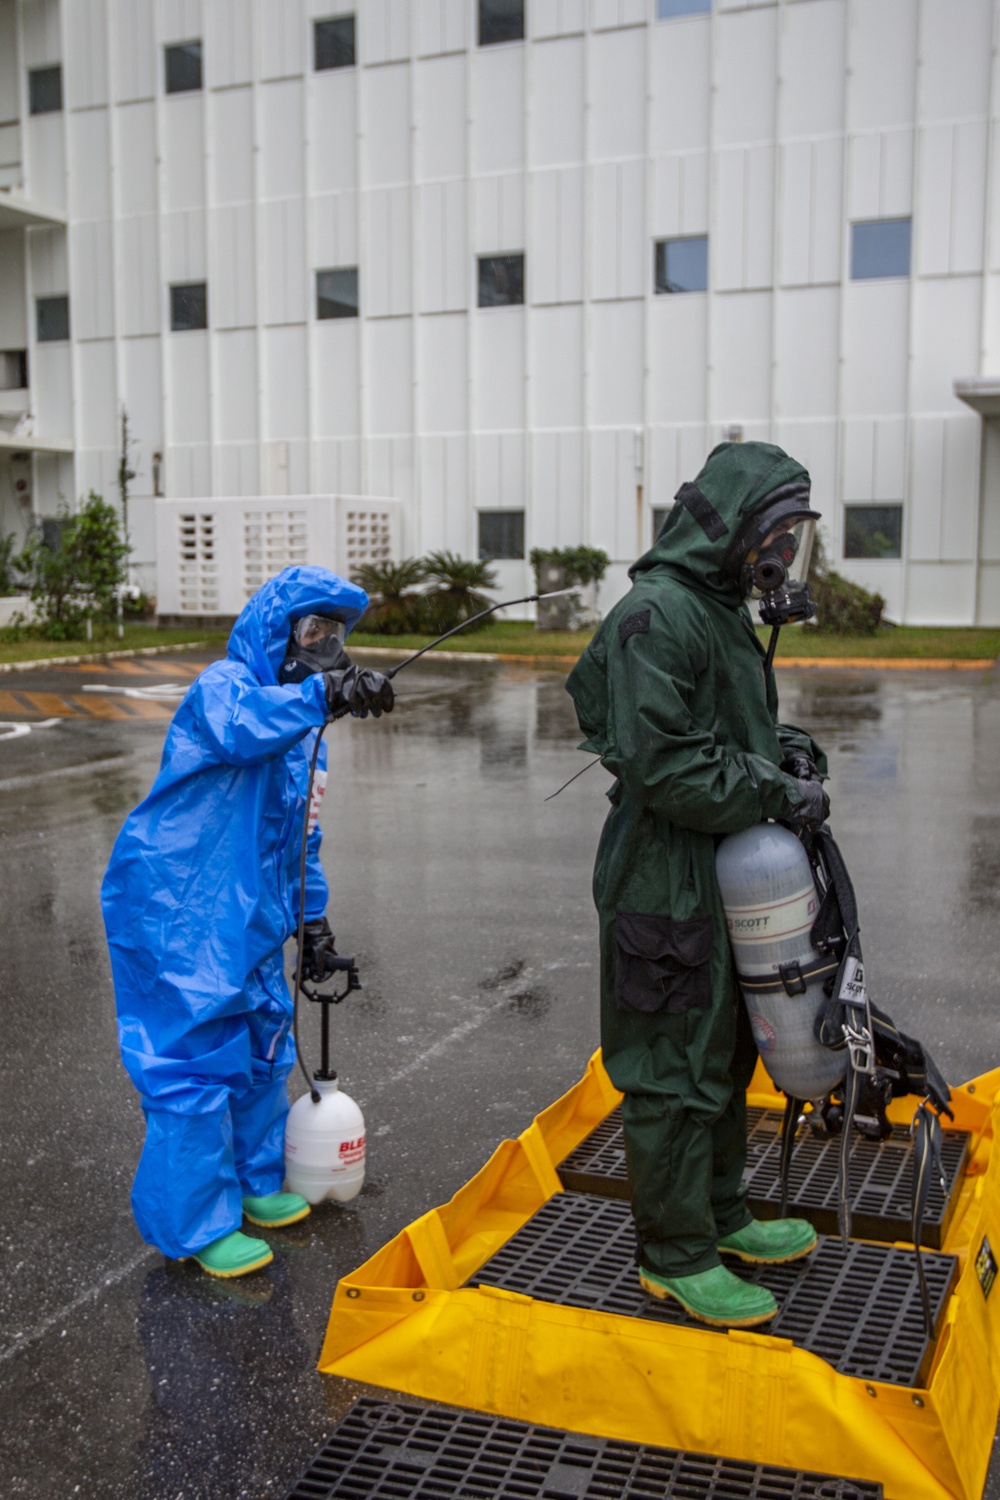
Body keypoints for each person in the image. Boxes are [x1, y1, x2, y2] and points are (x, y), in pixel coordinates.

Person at [565, 442, 830, 1329]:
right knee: (671, 1065)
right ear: (732, 529)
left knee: (724, 1052)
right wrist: (771, 787)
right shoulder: (659, 613)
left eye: (794, 540)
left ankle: (720, 1216)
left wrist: (785, 752)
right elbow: (669, 766)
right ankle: (674, 1256)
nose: (784, 559)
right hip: (662, 876)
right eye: (776, 536)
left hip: (718, 871)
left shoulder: (719, 614)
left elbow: (727, 728)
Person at [103, 565, 394, 1279]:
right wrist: (322, 694)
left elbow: (302, 839)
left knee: (263, 1042)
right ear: (275, 631)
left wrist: (314, 923)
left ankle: (253, 1181)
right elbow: (239, 731)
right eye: (311, 630)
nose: (323, 645)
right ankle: (197, 1223)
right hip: (179, 909)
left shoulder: (302, 738)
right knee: (193, 1062)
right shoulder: (225, 687)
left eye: (334, 634)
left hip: (250, 916)